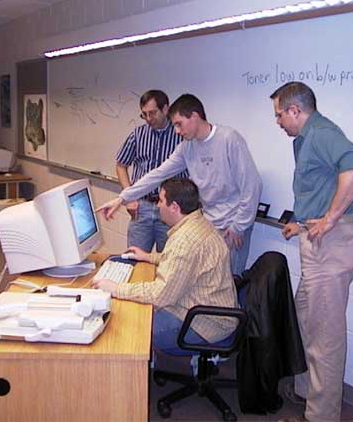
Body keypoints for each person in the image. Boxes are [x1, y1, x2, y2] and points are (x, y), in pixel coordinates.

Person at [270, 82, 353, 422]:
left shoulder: (322, 132)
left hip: (330, 247)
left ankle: (319, 418)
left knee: (324, 340)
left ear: (295, 110)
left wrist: (329, 220)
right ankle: (306, 394)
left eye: (279, 114)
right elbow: (323, 186)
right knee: (306, 321)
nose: (278, 122)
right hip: (316, 244)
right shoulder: (306, 139)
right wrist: (301, 224)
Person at [98, 94, 262, 276]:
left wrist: (239, 226)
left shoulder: (229, 139)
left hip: (232, 227)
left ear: (194, 116)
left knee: (229, 283)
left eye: (178, 124)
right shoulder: (187, 147)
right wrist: (122, 198)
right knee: (205, 282)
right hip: (208, 224)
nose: (176, 131)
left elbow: (252, 186)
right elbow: (158, 174)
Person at [92, 177, 238, 349]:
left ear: (174, 207)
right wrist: (148, 257)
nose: (158, 205)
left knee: (127, 328)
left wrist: (116, 288)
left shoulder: (185, 240)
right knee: (132, 311)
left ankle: (140, 371)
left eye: (161, 200)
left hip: (204, 324)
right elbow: (185, 263)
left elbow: (160, 296)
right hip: (207, 312)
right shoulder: (198, 223)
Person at [115, 89, 186, 252]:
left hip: (171, 209)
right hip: (142, 208)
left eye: (152, 113)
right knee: (133, 258)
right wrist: (129, 196)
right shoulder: (138, 134)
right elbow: (121, 165)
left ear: (166, 109)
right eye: (144, 114)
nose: (148, 119)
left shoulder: (181, 135)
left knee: (168, 263)